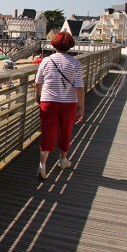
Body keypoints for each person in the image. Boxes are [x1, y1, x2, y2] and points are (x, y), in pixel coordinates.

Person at [34, 31, 84, 180]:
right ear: (70, 46)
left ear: (54, 44)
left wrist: (38, 95)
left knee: (48, 132)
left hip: (48, 101)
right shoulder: (75, 63)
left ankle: (42, 165)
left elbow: (38, 82)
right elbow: (79, 87)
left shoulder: (46, 61)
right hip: (68, 103)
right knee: (66, 130)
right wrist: (82, 106)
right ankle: (62, 159)